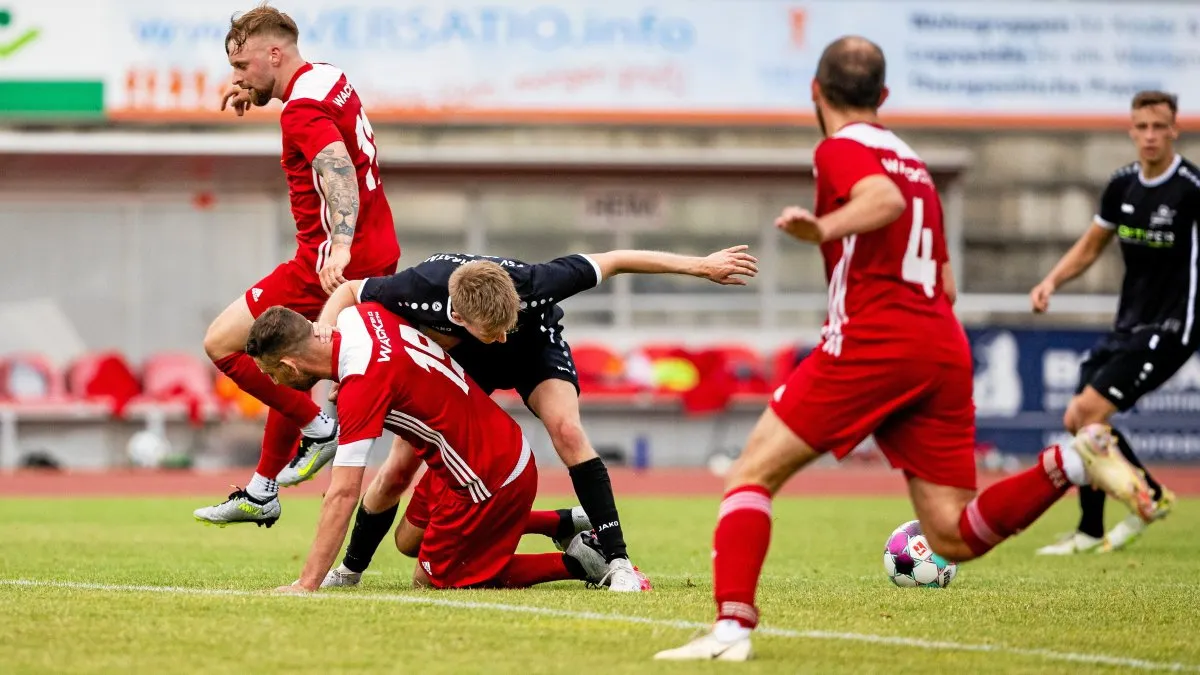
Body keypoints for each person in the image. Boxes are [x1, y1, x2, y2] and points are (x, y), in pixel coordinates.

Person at [653, 36, 1154, 662]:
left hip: (874, 339)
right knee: (950, 533)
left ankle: (731, 629)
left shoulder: (840, 149)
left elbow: (880, 202)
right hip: (940, 342)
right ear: (884, 96)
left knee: (751, 472)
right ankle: (1071, 464)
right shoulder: (913, 163)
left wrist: (824, 228)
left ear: (815, 90)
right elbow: (942, 277)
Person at [305, 246, 758, 592]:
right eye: (492, 330)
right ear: (456, 315)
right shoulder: (417, 287)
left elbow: (616, 259)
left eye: (506, 322)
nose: (501, 336)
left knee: (568, 431)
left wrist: (701, 266)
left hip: (535, 347)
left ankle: (616, 560)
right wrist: (330, 337)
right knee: (398, 468)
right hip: (468, 360)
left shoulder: (537, 283)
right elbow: (347, 292)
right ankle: (350, 570)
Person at [193, 4, 400, 527]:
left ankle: (318, 429)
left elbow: (338, 169)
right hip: (380, 249)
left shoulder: (300, 111)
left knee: (221, 342)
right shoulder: (329, 78)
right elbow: (328, 129)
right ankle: (263, 490)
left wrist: (341, 246)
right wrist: (257, 92)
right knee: (291, 366)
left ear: (274, 53)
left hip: (324, 264)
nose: (235, 77)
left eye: (242, 67)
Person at [249, 305, 610, 591]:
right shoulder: (360, 315)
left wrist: (307, 583)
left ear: (289, 364)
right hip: (470, 455)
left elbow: (343, 493)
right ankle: (562, 521)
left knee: (435, 578)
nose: (274, 381)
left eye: (271, 374)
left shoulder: (361, 385)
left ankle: (579, 561)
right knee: (408, 540)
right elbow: (351, 296)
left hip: (487, 476)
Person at [1030, 90, 1196, 554]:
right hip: (1128, 324)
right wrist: (1052, 281)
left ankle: (1151, 495)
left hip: (1174, 327)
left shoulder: (1191, 190)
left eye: (1158, 127)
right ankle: (1090, 528)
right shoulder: (1122, 185)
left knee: (1088, 415)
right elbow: (1090, 245)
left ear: (1173, 131)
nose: (1149, 136)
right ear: (1130, 130)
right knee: (1078, 421)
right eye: (1141, 127)